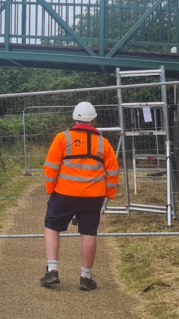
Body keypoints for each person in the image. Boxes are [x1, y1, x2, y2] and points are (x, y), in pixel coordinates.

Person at [40, 101, 119, 291]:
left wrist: (51, 190)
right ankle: (86, 277)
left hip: (64, 194)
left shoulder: (62, 138)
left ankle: (52, 270)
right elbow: (113, 172)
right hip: (93, 197)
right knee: (89, 232)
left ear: (74, 119)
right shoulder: (103, 142)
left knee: (52, 227)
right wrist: (108, 194)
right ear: (93, 120)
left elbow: (51, 168)